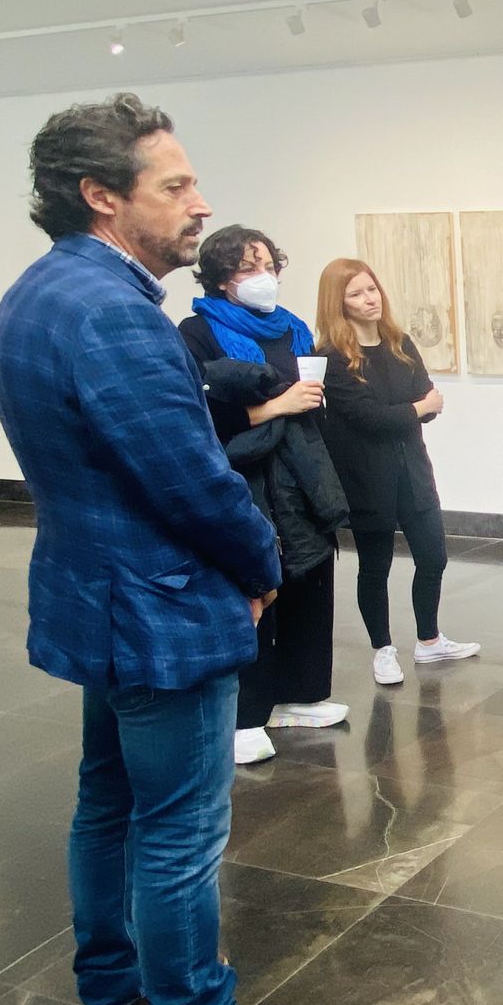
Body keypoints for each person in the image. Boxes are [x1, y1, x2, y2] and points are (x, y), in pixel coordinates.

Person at [0, 93, 334, 1005]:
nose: (200, 204)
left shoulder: (36, 294)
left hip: (97, 596)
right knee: (179, 830)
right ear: (102, 195)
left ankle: (117, 998)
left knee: (107, 802)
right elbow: (191, 481)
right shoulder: (115, 316)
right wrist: (264, 566)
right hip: (161, 609)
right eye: (175, 185)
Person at [178, 227, 350, 765]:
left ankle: (298, 694)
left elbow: (311, 400)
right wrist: (277, 407)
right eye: (248, 268)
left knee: (309, 578)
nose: (264, 277)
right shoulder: (196, 332)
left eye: (269, 265)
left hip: (300, 475)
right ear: (220, 278)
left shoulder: (292, 327)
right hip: (244, 475)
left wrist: (311, 401)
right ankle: (244, 714)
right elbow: (200, 411)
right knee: (255, 589)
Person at [314, 258, 479, 683]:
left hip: (413, 470)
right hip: (366, 478)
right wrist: (417, 408)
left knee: (433, 556)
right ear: (338, 303)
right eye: (356, 294)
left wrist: (415, 408)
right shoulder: (332, 357)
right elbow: (370, 418)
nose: (369, 299)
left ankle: (429, 640)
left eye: (372, 289)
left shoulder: (399, 343)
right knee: (375, 566)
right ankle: (382, 648)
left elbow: (428, 401)